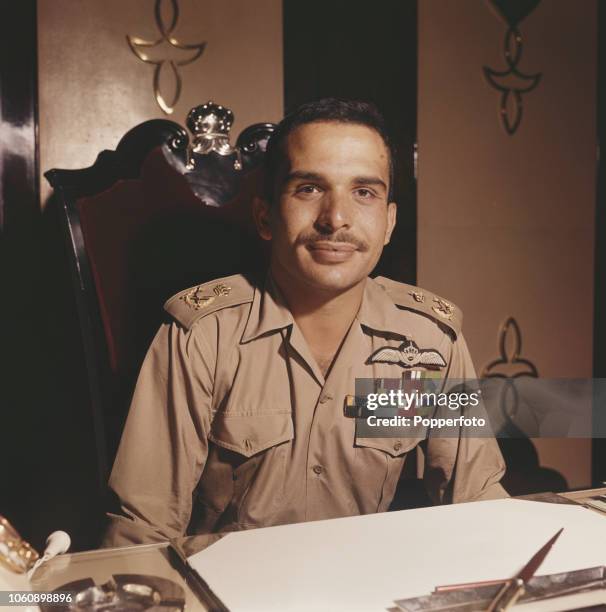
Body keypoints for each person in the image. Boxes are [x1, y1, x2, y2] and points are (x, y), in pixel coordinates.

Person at [103, 98, 506, 547]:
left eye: (364, 192)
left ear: (389, 222)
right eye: (309, 188)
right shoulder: (201, 335)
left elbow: (479, 502)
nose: (335, 219)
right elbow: (142, 531)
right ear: (265, 216)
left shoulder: (430, 340)